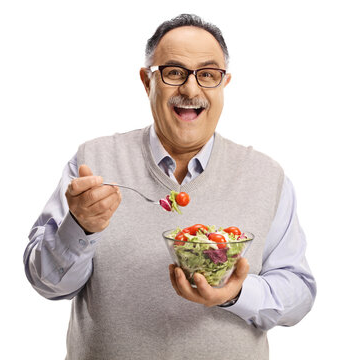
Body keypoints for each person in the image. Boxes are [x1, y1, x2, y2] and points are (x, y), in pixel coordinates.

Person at [24, 13, 316, 360]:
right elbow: (47, 284)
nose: (191, 90)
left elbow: (298, 291)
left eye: (208, 75)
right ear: (148, 82)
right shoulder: (93, 162)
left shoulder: (266, 175)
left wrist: (235, 294)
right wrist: (80, 227)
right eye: (174, 72)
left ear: (224, 84)